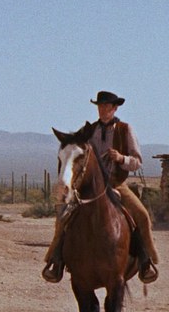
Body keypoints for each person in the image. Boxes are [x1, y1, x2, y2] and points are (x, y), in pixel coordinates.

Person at [42, 90, 160, 283]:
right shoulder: (89, 131)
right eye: (100, 106)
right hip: (89, 186)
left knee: (142, 215)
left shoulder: (125, 129)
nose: (103, 109)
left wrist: (121, 158)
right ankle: (55, 260)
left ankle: (146, 261)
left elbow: (137, 162)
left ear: (115, 108)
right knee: (63, 215)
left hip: (117, 183)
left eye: (107, 106)